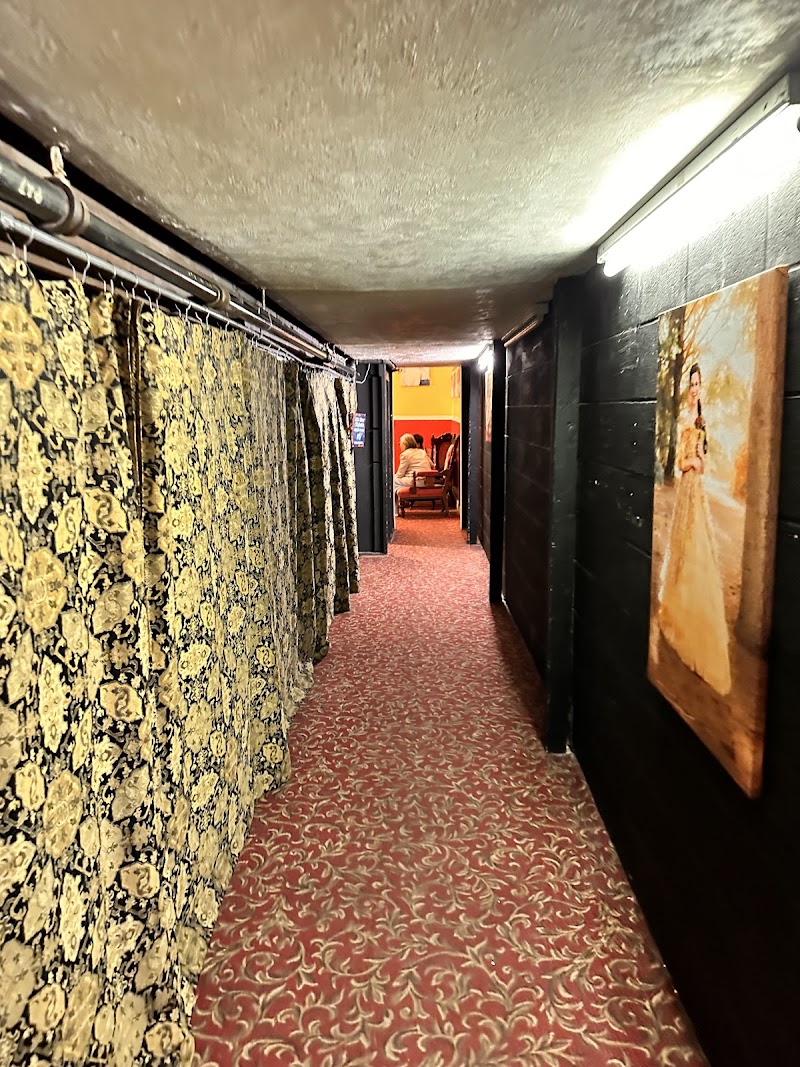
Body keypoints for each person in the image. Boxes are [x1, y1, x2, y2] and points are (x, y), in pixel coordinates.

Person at [657, 363, 732, 695]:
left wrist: (702, 461)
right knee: (682, 542)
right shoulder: (683, 420)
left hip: (697, 488)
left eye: (698, 383)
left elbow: (706, 455)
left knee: (699, 544)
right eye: (691, 383)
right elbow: (679, 461)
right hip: (687, 483)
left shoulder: (703, 417)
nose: (694, 388)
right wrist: (691, 463)